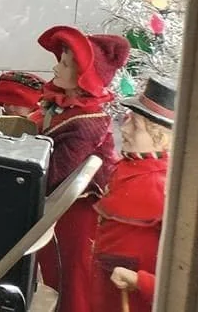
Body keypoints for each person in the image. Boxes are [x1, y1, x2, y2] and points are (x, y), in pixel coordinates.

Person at [33, 25, 129, 312]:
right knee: (54, 279)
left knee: (71, 283)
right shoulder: (65, 108)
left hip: (74, 217)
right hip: (57, 212)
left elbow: (54, 175)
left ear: (84, 75)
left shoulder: (88, 120)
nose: (55, 67)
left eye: (64, 63)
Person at [95, 76, 175, 312]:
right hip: (107, 293)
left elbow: (185, 273)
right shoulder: (129, 166)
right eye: (128, 119)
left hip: (133, 302)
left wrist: (141, 281)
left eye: (135, 126)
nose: (124, 128)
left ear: (161, 138)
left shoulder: (165, 191)